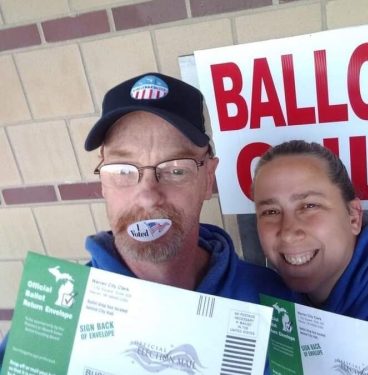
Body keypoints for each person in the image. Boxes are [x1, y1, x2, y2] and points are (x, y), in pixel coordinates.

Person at [0, 73, 293, 372]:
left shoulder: (277, 305)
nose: (148, 196)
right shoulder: (50, 323)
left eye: (176, 169)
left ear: (208, 179)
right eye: (122, 170)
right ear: (103, 181)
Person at [252, 139, 368, 328]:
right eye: (271, 211)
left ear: (354, 217)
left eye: (309, 206)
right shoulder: (267, 300)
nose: (288, 233)